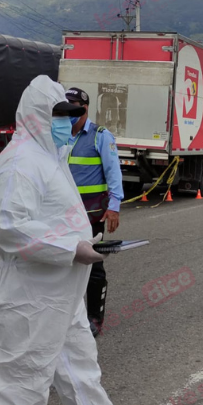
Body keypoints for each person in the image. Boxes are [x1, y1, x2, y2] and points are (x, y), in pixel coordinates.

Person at [0, 75, 116, 405]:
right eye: (58, 115)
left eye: (68, 115)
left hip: (61, 297)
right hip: (31, 300)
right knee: (21, 391)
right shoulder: (21, 163)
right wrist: (71, 249)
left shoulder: (49, 156)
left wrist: (83, 243)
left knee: (82, 377)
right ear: (36, 115)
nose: (65, 123)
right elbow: (9, 226)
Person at [65, 87, 124, 338]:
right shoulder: (60, 135)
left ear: (85, 108)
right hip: (64, 215)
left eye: (75, 106)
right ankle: (68, 315)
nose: (69, 112)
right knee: (64, 263)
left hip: (92, 215)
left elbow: (114, 174)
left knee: (93, 267)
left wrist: (114, 207)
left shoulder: (101, 136)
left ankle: (94, 318)